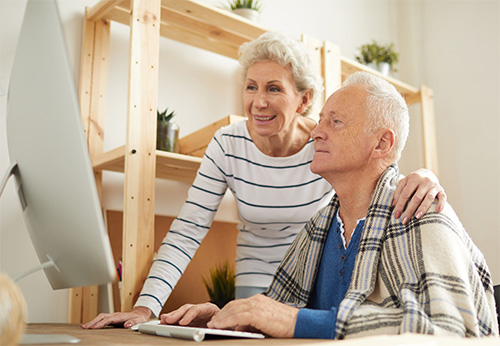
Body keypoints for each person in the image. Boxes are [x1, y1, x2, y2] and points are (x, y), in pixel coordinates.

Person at [82, 32, 446, 330]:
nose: (258, 102)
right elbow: (188, 229)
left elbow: (377, 167)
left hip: (317, 278)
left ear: (303, 100)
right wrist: (145, 309)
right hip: (259, 278)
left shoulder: (324, 147)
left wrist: (424, 175)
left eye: (273, 88)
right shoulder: (228, 144)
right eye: (251, 87)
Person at [161, 71, 499, 338]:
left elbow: (450, 331)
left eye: (334, 122)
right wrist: (222, 316)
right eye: (320, 120)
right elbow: (273, 311)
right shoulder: (318, 227)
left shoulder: (422, 212)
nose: (315, 133)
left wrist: (299, 322)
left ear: (382, 142)